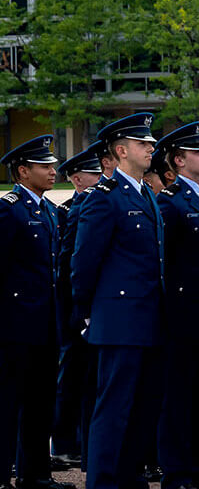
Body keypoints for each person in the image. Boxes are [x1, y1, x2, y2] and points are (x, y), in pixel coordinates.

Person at [72, 113, 164, 489]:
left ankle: (129, 476)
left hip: (149, 318)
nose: (151, 148)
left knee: (143, 407)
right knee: (113, 407)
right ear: (122, 150)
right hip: (119, 319)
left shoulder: (145, 194)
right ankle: (104, 481)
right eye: (144, 144)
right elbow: (84, 263)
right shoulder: (104, 199)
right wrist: (89, 313)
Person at [1, 134, 71, 489]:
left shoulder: (47, 210)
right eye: (44, 166)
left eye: (52, 165)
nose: (52, 171)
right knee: (7, 402)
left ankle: (36, 475)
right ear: (22, 171)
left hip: (45, 322)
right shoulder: (10, 208)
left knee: (40, 403)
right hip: (14, 323)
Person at [152, 122, 199, 489]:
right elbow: (162, 262)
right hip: (181, 316)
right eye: (198, 151)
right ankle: (176, 474)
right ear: (178, 160)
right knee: (178, 399)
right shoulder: (170, 201)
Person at [52, 145, 106, 474]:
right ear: (77, 179)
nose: (100, 178)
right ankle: (63, 445)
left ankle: (74, 442)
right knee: (72, 375)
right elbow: (68, 263)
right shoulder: (75, 208)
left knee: (85, 376)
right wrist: (75, 310)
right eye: (94, 173)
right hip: (74, 307)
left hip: (87, 306)